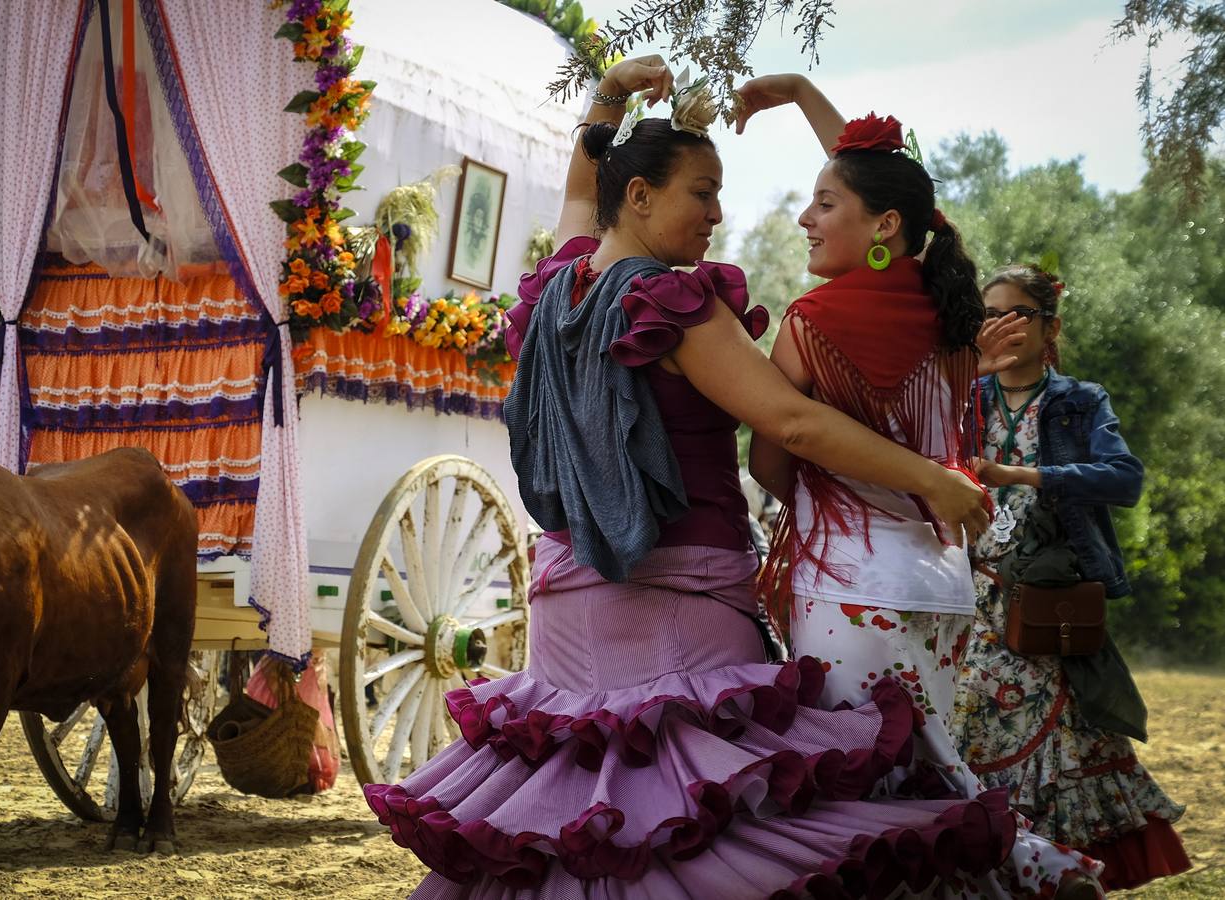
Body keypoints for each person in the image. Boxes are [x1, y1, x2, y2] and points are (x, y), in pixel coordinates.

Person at [364, 55, 1096, 899]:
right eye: (701, 193)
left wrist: (610, 95)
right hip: (684, 604)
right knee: (696, 828)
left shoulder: (559, 285)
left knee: (587, 827)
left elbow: (581, 194)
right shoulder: (673, 306)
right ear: (639, 198)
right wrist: (932, 480)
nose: (718, 213)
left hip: (568, 604)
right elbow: (789, 421)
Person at [741, 75, 1103, 897]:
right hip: (941, 586)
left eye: (823, 203)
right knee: (926, 760)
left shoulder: (811, 320)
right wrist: (803, 96)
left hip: (848, 587)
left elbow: (771, 459)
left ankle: (1034, 863)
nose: (806, 216)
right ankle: (1020, 861)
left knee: (869, 789)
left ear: (883, 225)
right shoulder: (952, 324)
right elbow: (897, 188)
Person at [951, 264, 1191, 890]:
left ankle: (1062, 878)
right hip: (965, 601)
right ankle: (1007, 876)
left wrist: (1025, 477)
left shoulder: (1079, 401)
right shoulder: (962, 397)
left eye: (1018, 313)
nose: (1001, 325)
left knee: (1059, 748)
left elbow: (1125, 479)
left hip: (1046, 600)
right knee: (969, 743)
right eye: (989, 313)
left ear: (1050, 326)